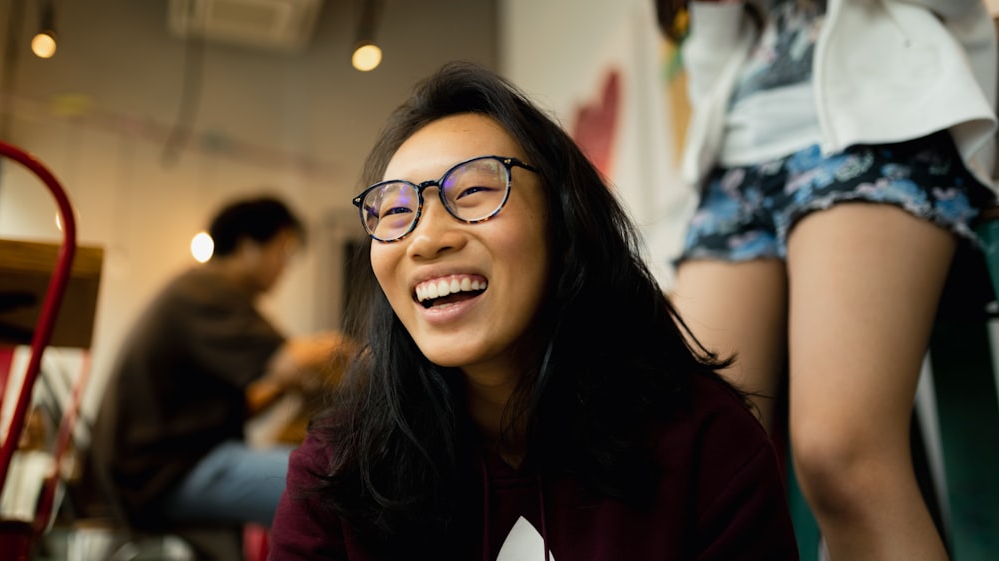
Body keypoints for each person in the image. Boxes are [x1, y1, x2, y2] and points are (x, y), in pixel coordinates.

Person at [267, 62, 799, 560]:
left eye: (474, 190)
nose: (425, 239)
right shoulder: (340, 472)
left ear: (566, 229)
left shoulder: (706, 446)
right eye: (397, 210)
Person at [654, 1, 997, 559]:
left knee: (840, 456)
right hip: (736, 164)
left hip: (879, 131)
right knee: (688, 465)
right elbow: (713, 74)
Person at [90, 195, 348, 534]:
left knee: (324, 477)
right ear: (247, 246)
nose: (286, 266)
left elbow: (252, 398)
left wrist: (284, 384)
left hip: (163, 469)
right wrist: (354, 352)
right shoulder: (207, 289)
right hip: (161, 475)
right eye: (284, 251)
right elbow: (295, 364)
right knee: (334, 485)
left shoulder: (200, 289)